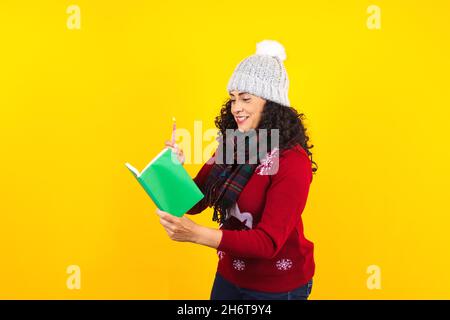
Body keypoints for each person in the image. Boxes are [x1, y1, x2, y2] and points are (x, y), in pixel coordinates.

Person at [156, 40, 318, 300]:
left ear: (271, 104)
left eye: (246, 99)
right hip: (230, 276)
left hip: (277, 287)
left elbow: (268, 243)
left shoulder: (292, 161)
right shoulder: (232, 144)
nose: (236, 108)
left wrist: (197, 234)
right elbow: (196, 201)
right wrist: (171, 169)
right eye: (233, 99)